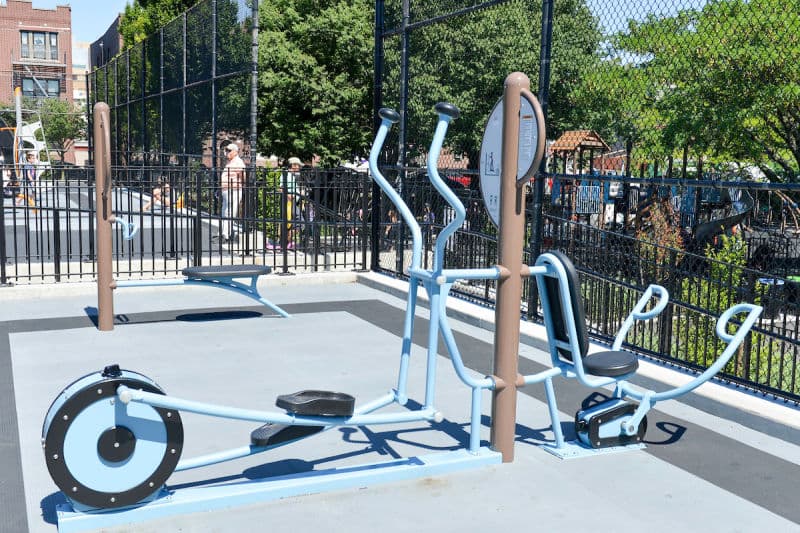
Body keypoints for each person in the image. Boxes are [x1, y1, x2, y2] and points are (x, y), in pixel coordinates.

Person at [219, 141, 245, 243]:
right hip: (227, 190)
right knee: (225, 211)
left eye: (229, 150)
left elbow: (243, 175)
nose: (226, 152)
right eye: (226, 150)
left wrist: (241, 185)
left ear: (235, 151)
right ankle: (225, 233)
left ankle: (227, 234)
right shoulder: (230, 162)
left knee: (230, 212)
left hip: (233, 190)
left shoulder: (238, 162)